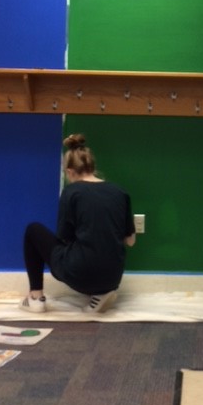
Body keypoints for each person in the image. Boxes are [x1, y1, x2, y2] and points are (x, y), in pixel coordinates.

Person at [20, 133, 135, 313]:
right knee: (95, 255)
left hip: (81, 276)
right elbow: (130, 241)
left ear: (69, 172)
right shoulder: (120, 192)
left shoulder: (72, 191)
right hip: (113, 278)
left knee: (33, 230)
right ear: (93, 167)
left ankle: (35, 298)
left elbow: (64, 237)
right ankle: (101, 294)